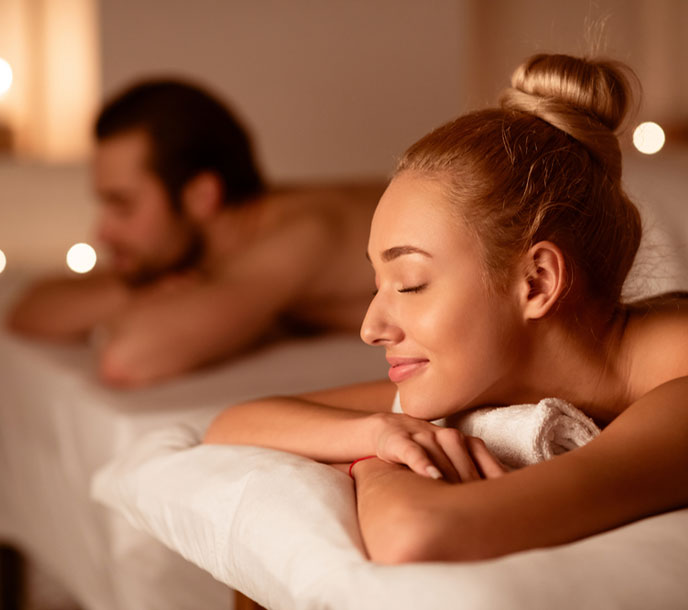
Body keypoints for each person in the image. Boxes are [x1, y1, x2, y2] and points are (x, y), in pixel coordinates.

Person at [203, 53, 688, 563]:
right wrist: (378, 433)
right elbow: (230, 426)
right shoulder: (521, 366)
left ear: (537, 282)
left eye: (410, 284)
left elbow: (419, 532)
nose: (371, 328)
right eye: (378, 285)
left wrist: (379, 463)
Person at [7, 80, 382, 387]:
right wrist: (142, 290)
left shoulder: (302, 235)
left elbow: (127, 359)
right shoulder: (199, 254)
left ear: (201, 196)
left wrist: (147, 298)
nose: (102, 232)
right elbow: (26, 310)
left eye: (122, 205)